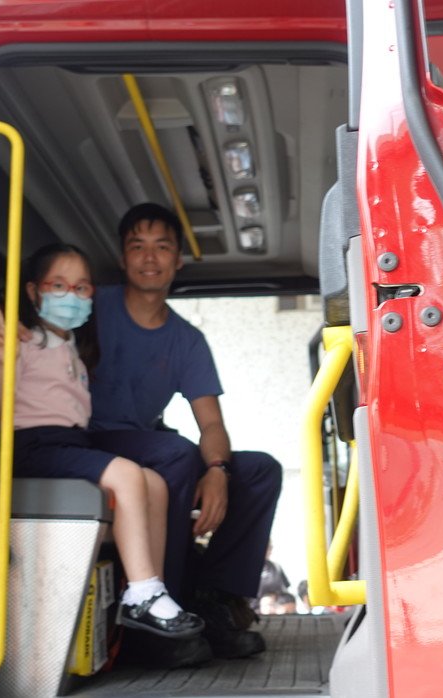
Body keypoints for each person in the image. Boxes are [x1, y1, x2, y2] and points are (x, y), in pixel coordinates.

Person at [87, 202, 283, 659]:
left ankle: (214, 600)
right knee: (175, 453)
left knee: (259, 471)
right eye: (137, 246)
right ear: (122, 257)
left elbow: (211, 423)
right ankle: (160, 623)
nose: (149, 257)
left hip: (144, 445)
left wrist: (217, 471)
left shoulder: (187, 340)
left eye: (162, 247)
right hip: (90, 442)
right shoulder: (93, 307)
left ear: (177, 260)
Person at [0, 243, 203, 639]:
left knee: (154, 483)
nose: (71, 296)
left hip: (70, 444)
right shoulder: (22, 342)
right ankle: (142, 593)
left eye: (81, 288)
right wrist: (3, 361)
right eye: (58, 286)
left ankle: (151, 591)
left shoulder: (71, 345)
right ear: (34, 291)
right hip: (32, 446)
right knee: (127, 474)